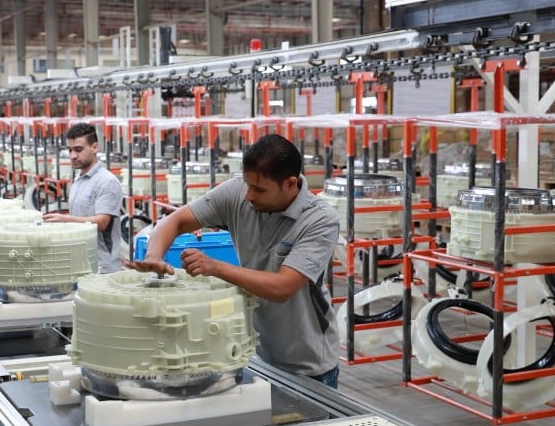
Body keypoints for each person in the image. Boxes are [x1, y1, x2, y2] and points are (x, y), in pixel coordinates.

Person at [128, 134, 342, 387]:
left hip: (307, 363)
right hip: (256, 353)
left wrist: (215, 267)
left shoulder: (320, 220)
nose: (249, 196)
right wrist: (154, 255)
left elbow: (283, 287)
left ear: (290, 184)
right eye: (247, 184)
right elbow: (174, 221)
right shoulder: (238, 192)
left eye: (259, 189)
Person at [43, 123, 124, 273]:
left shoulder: (107, 182)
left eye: (78, 150)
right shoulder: (79, 179)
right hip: (81, 261)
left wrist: (65, 220)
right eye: (70, 150)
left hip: (102, 266)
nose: (73, 155)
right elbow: (80, 217)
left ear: (94, 148)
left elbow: (101, 223)